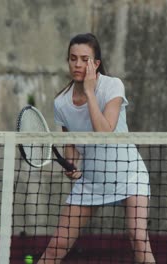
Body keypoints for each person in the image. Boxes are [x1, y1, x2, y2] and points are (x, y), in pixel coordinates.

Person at [37, 33, 156, 264]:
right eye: (73, 58)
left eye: (84, 59)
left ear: (96, 63)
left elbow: (104, 132)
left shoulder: (112, 86)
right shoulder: (61, 102)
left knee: (138, 237)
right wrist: (71, 165)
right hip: (92, 181)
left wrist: (90, 92)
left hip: (130, 174)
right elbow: (72, 144)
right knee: (56, 246)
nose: (77, 64)